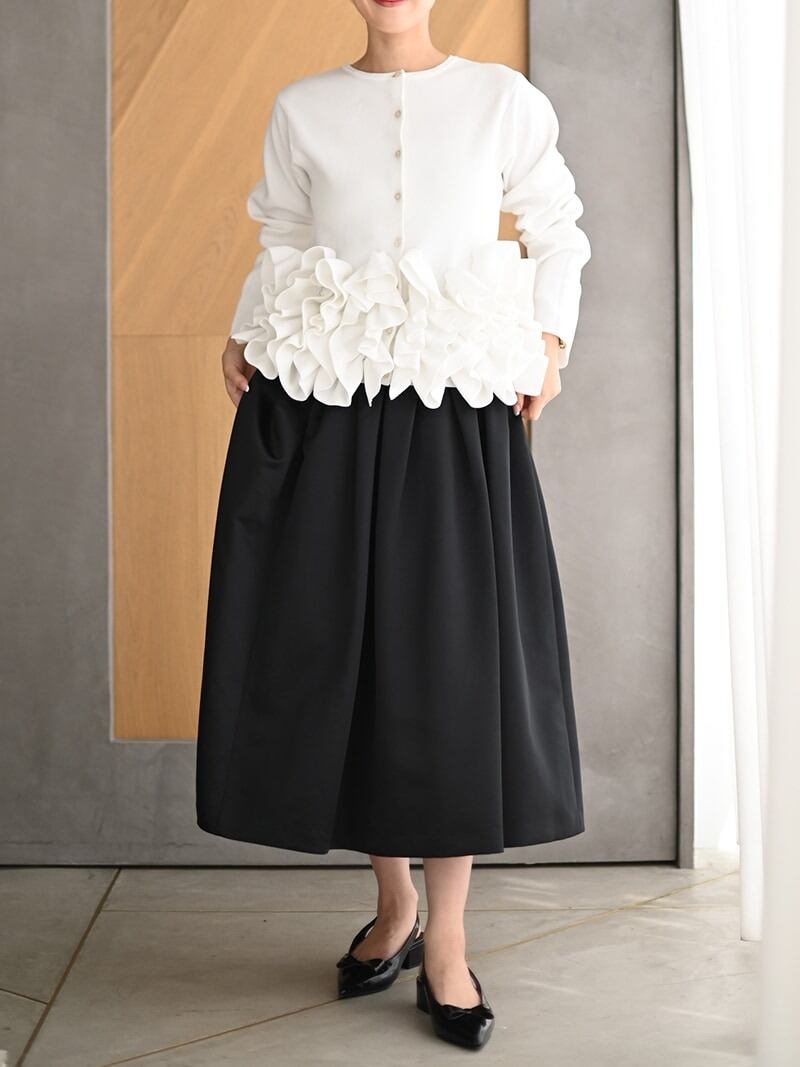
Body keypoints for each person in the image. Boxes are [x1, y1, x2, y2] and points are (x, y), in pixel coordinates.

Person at [195, 0, 591, 1051]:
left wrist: (550, 341)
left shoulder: (501, 99)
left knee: (450, 666)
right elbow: (285, 237)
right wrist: (244, 329)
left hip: (456, 405)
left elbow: (557, 229)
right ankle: (394, 903)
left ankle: (448, 938)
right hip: (328, 401)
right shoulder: (302, 106)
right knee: (353, 655)